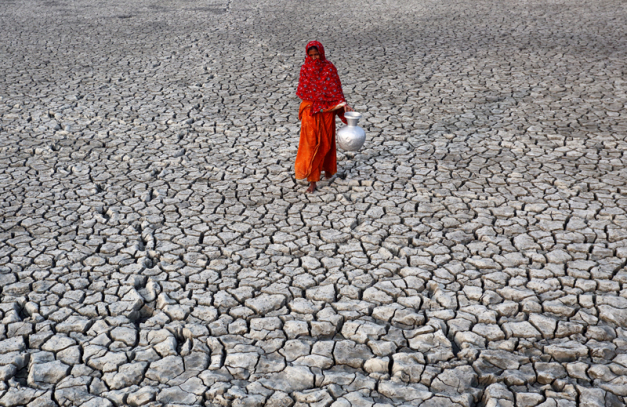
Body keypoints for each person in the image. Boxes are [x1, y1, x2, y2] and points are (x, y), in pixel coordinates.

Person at [295, 41, 352, 193]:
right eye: (311, 55)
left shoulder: (329, 68)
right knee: (312, 146)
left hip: (326, 112)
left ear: (322, 53)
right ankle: (312, 181)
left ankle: (327, 170)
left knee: (326, 143)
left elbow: (336, 90)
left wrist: (343, 105)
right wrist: (314, 105)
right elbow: (304, 91)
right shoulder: (305, 69)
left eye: (317, 54)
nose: (314, 58)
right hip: (310, 114)